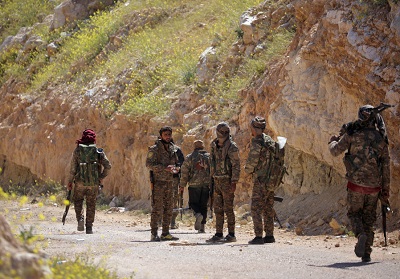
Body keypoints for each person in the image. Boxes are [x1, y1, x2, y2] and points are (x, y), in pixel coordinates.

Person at [329, 105, 390, 262]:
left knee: (354, 214)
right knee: (369, 218)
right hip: (374, 187)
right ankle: (367, 254)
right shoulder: (381, 138)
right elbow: (386, 168)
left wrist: (332, 141)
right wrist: (385, 192)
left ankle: (360, 235)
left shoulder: (352, 134)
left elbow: (335, 151)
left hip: (355, 185)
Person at [67, 129, 111, 234]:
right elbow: (108, 166)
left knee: (78, 201)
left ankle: (80, 219)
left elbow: (73, 169)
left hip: (79, 183)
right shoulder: (98, 151)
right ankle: (89, 227)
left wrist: (69, 182)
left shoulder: (77, 151)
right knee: (91, 204)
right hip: (94, 183)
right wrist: (101, 177)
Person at [244, 116, 279, 244]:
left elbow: (251, 163)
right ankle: (269, 235)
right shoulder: (269, 140)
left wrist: (247, 169)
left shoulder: (257, 142)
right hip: (272, 180)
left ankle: (258, 236)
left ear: (253, 128)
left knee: (256, 208)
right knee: (268, 207)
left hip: (261, 180)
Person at [207, 122, 240, 242]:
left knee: (228, 208)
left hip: (227, 180)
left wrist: (234, 181)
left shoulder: (232, 147)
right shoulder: (214, 145)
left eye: (226, 132)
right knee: (218, 208)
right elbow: (212, 162)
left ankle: (231, 234)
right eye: (222, 132)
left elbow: (236, 165)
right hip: (216, 180)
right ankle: (219, 233)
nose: (224, 134)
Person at [146, 126, 181, 241]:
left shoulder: (172, 148)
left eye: (169, 135)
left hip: (170, 182)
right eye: (165, 135)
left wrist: (176, 168)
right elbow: (149, 165)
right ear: (161, 136)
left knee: (169, 208)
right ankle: (154, 233)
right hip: (159, 182)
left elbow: (177, 162)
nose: (168, 137)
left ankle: (165, 233)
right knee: (157, 208)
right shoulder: (154, 149)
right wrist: (164, 168)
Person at [180, 140, 211, 233]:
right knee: (204, 205)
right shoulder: (209, 157)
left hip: (194, 185)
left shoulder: (190, 157)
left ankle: (197, 215)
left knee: (193, 204)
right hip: (206, 184)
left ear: (194, 147)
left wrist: (182, 185)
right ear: (203, 147)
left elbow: (184, 172)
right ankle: (202, 227)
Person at [170, 143, 184, 229]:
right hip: (162, 180)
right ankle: (163, 221)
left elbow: (181, 163)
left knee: (174, 199)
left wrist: (177, 168)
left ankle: (172, 221)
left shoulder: (176, 149)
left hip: (173, 178)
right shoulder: (157, 149)